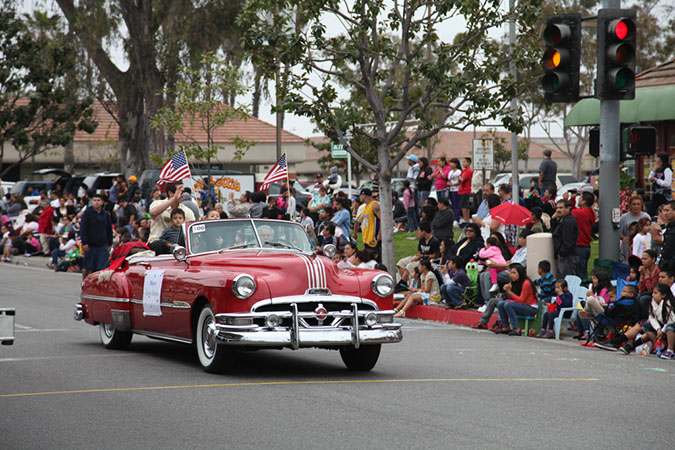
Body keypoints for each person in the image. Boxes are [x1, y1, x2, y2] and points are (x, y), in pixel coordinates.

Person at [605, 283, 675, 356]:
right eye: (653, 292)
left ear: (663, 295)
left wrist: (662, 330)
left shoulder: (668, 303)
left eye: (655, 293)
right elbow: (652, 317)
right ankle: (659, 345)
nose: (652, 295)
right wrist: (658, 328)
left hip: (669, 324)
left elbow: (671, 320)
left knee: (669, 327)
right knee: (645, 326)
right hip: (660, 325)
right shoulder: (653, 302)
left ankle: (669, 350)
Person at [148, 182, 196, 252]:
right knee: (160, 244)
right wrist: (174, 199)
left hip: (179, 247)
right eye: (180, 192)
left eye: (183, 192)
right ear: (170, 193)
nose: (183, 195)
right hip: (158, 244)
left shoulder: (187, 211)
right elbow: (153, 213)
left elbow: (192, 232)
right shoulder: (157, 204)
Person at [492, 264, 538, 336]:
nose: (511, 275)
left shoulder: (526, 283)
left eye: (514, 273)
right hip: (521, 305)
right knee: (501, 303)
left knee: (508, 304)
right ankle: (506, 327)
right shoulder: (514, 282)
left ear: (520, 273)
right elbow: (512, 298)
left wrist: (509, 292)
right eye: (510, 273)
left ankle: (516, 329)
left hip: (530, 308)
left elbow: (521, 301)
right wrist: (508, 291)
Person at [395, 222, 440, 288]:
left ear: (424, 231)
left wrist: (422, 256)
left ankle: (403, 283)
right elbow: (419, 251)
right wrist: (417, 257)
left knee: (410, 266)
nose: (418, 232)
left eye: (419, 230)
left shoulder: (434, 241)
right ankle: (406, 283)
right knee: (401, 262)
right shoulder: (422, 240)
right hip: (420, 258)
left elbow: (435, 255)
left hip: (428, 261)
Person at [80, 193, 113, 279]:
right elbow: (83, 229)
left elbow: (109, 229)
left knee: (102, 267)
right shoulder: (87, 213)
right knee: (88, 266)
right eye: (94, 200)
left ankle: (98, 285)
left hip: (102, 244)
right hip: (90, 244)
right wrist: (84, 242)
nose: (96, 202)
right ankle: (85, 281)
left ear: (102, 202)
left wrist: (110, 243)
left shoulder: (105, 214)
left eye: (98, 200)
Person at [571, 191, 597, 278]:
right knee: (583, 270)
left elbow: (568, 211)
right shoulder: (590, 212)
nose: (578, 200)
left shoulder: (581, 213)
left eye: (580, 198)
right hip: (586, 246)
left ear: (584, 202)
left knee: (580, 274)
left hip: (580, 246)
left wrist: (571, 199)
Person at [551, 199, 579, 278]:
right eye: (557, 208)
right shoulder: (563, 220)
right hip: (564, 255)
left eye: (561, 208)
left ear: (568, 208)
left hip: (567, 256)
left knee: (567, 278)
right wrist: (553, 219)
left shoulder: (569, 221)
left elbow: (568, 240)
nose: (558, 210)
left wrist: (562, 253)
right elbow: (554, 232)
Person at [620, 195, 650, 263]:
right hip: (629, 244)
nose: (636, 206)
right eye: (634, 204)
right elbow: (619, 232)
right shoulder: (624, 218)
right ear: (630, 205)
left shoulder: (646, 216)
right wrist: (624, 238)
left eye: (638, 204)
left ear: (641, 205)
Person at [647, 152, 673, 217]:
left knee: (659, 211)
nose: (655, 159)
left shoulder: (667, 170)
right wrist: (654, 170)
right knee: (651, 211)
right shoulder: (657, 169)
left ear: (661, 159)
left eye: (657, 157)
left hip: (664, 196)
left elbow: (667, 183)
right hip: (656, 194)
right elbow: (650, 178)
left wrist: (656, 180)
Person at [359, 188, 381, 262]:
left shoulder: (375, 205)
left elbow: (382, 219)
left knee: (375, 262)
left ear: (364, 195)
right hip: (367, 240)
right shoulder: (366, 207)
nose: (359, 197)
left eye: (360, 195)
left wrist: (379, 234)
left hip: (374, 239)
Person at [458, 157, 473, 224]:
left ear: (468, 163)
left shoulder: (469, 171)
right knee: (462, 206)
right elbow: (459, 178)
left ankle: (466, 219)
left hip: (466, 190)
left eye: (464, 162)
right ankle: (465, 219)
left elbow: (462, 179)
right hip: (461, 190)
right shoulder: (463, 171)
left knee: (464, 206)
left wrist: (459, 177)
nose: (463, 163)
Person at [447, 158, 462, 223]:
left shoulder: (458, 171)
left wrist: (453, 184)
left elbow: (459, 181)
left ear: (455, 164)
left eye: (452, 163)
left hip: (456, 189)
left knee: (456, 204)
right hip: (451, 189)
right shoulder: (450, 172)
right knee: (452, 204)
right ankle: (453, 218)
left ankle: (457, 219)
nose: (450, 164)